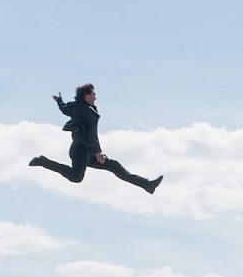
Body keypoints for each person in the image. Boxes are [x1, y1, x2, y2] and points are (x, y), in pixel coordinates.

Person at [29, 83, 163, 194]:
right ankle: (43, 161)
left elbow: (65, 110)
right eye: (93, 94)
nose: (96, 97)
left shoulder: (75, 106)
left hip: (84, 150)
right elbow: (92, 133)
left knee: (114, 166)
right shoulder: (89, 111)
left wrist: (59, 101)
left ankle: (147, 185)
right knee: (76, 177)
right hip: (82, 150)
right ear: (86, 96)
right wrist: (98, 152)